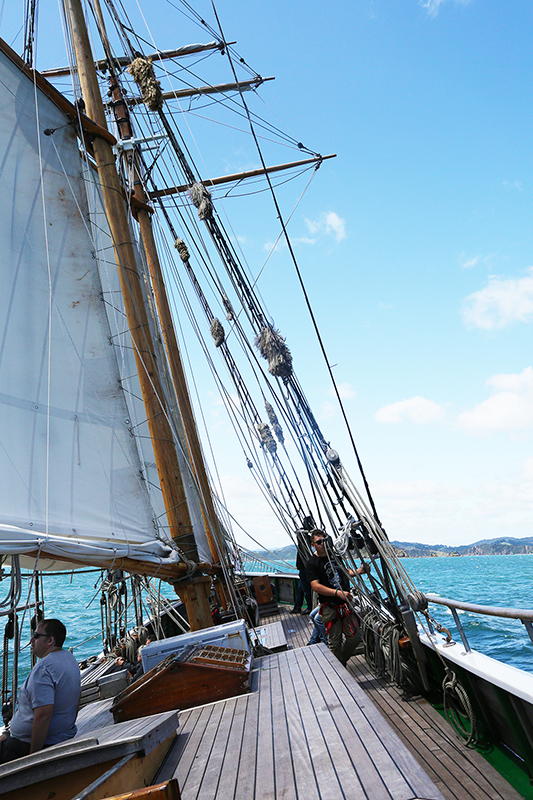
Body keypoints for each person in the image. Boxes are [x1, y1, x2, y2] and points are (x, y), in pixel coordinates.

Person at [0, 619, 81, 763]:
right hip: (62, 737)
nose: (32, 639)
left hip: (29, 746)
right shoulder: (69, 659)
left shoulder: (44, 669)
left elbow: (43, 715)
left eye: (36, 636)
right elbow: (77, 699)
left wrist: (34, 759)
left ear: (50, 640)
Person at [306, 530, 370, 667]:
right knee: (334, 644)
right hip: (330, 607)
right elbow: (315, 586)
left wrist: (359, 571)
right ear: (313, 545)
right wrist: (338, 593)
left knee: (354, 637)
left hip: (345, 604)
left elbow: (343, 571)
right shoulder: (312, 563)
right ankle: (338, 670)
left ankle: (341, 661)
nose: (322, 544)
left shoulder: (334, 556)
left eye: (324, 541)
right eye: (319, 542)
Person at [290, 531, 313, 615]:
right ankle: (297, 607)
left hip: (304, 570)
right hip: (303, 569)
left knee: (306, 589)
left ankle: (310, 607)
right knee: (300, 590)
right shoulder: (303, 547)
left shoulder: (303, 546)